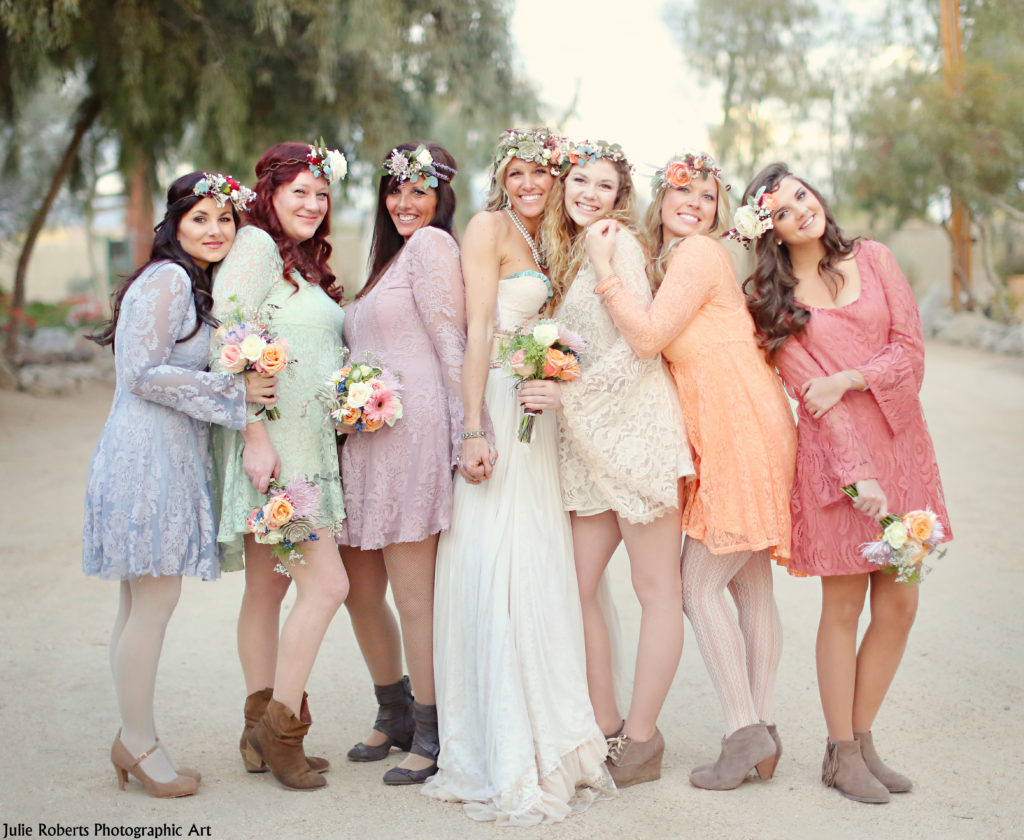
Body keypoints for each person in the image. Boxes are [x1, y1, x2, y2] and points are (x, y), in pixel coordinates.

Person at [741, 162, 952, 804]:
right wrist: (856, 475)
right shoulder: (773, 304)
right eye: (781, 210)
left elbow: (910, 352)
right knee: (843, 607)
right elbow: (813, 398)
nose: (800, 210)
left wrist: (850, 378)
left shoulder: (877, 259)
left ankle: (864, 739)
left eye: (801, 195)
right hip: (837, 466)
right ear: (769, 232)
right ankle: (841, 749)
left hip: (903, 450)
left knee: (901, 605)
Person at [423, 129, 614, 823]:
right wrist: (473, 426)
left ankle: (549, 726)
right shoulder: (489, 227)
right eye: (517, 172)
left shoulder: (552, 238)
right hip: (501, 402)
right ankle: (498, 740)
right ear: (502, 175)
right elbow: (479, 327)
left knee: (536, 558)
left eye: (541, 173)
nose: (530, 183)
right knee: (494, 554)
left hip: (539, 406)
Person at [591, 152, 796, 790]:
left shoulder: (698, 254)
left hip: (737, 428)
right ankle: (763, 733)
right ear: (663, 197)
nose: (695, 204)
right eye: (684, 190)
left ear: (718, 211)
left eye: (708, 196)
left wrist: (604, 275)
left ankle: (742, 731)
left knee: (695, 587)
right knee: (749, 586)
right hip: (742, 422)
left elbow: (648, 337)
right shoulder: (684, 256)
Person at [84, 171, 268, 798]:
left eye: (225, 219)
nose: (216, 231)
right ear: (175, 224)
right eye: (201, 219)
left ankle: (131, 736)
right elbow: (142, 373)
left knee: (139, 605)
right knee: (153, 605)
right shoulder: (167, 279)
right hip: (147, 456)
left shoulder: (186, 281)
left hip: (158, 449)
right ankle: (139, 743)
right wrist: (234, 392)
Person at [541, 140, 694, 787]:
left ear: (619, 199)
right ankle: (605, 727)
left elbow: (639, 344)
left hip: (636, 438)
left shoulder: (617, 244)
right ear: (565, 184)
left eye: (605, 185)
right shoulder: (571, 250)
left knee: (655, 589)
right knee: (574, 588)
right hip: (588, 447)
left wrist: (566, 390)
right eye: (581, 180)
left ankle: (640, 737)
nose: (591, 194)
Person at [211, 141, 350, 792]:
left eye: (321, 194)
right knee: (328, 588)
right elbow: (229, 339)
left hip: (310, 447)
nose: (312, 204)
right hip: (278, 457)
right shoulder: (255, 248)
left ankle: (254, 733)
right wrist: (256, 436)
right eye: (299, 191)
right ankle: (282, 728)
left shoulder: (305, 264)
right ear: (270, 193)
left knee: (267, 591)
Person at [337, 141, 465, 786]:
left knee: (415, 597)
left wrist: (468, 433)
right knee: (360, 589)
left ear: (441, 195)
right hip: (364, 442)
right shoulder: (387, 262)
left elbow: (451, 342)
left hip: (413, 437)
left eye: (419, 189)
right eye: (395, 190)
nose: (406, 202)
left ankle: (432, 727)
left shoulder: (434, 247)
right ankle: (392, 709)